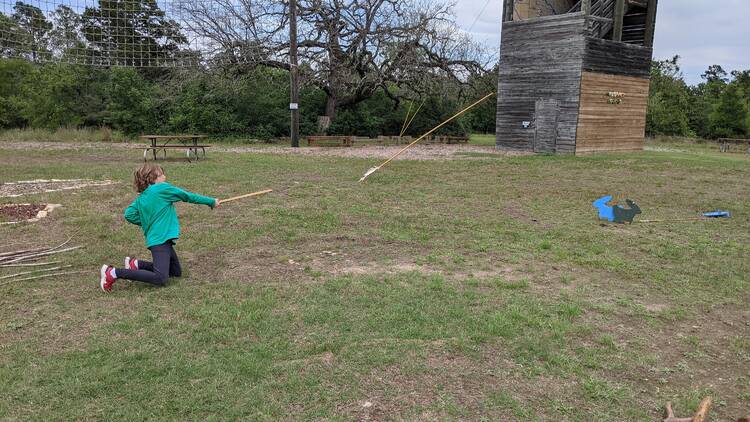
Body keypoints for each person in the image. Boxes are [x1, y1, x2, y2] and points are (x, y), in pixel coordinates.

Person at [100, 163, 219, 292]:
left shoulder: (142, 196)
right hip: (159, 240)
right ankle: (113, 273)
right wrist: (211, 201)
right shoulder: (162, 188)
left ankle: (136, 264)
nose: (164, 176)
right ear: (153, 178)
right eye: (161, 174)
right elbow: (187, 196)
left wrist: (147, 222)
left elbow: (129, 214)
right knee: (161, 278)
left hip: (162, 239)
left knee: (175, 272)